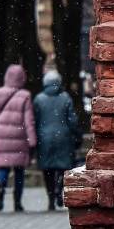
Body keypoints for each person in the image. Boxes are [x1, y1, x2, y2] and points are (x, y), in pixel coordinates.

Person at [0, 64, 36, 212]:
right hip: (19, 137)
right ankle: (17, 202)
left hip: (0, 136)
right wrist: (32, 140)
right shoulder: (25, 95)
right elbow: (29, 121)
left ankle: (1, 189)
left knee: (3, 168)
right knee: (19, 171)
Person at [33, 70, 80, 211]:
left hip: (44, 139)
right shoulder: (66, 98)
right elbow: (72, 120)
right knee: (62, 169)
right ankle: (59, 190)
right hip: (63, 138)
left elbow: (35, 120)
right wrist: (76, 134)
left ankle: (51, 198)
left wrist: (35, 138)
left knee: (47, 171)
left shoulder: (39, 99)